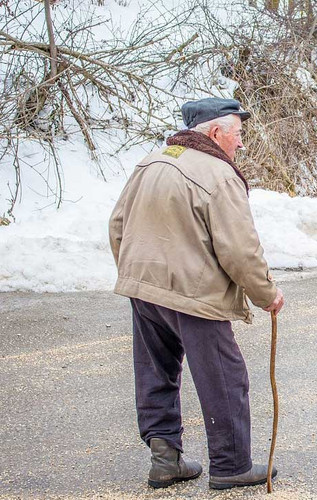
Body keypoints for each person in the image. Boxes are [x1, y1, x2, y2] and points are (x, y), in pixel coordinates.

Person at [108, 97, 284, 490]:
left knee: (156, 372)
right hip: (192, 293)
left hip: (144, 286)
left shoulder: (150, 162)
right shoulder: (219, 175)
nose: (240, 144)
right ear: (216, 132)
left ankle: (165, 460)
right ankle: (232, 465)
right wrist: (265, 293)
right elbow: (240, 249)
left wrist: (135, 273)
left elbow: (117, 224)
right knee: (225, 376)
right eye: (238, 134)